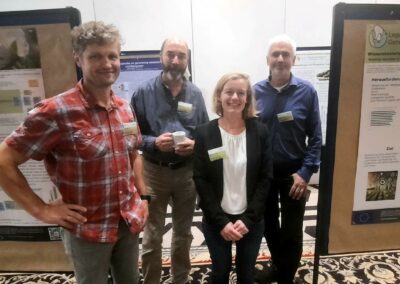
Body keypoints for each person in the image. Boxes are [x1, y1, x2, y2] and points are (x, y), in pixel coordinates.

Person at [0, 21, 148, 284]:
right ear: (78, 59)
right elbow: (4, 160)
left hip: (127, 222)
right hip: (88, 231)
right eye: (96, 56)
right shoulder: (56, 111)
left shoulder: (124, 107)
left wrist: (143, 197)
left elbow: (133, 154)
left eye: (112, 55)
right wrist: (41, 210)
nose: (107, 63)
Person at [131, 36, 209, 284]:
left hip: (186, 173)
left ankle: (180, 279)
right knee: (152, 235)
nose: (175, 61)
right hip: (153, 172)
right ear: (161, 56)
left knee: (183, 234)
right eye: (171, 55)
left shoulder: (196, 94)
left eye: (181, 56)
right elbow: (131, 137)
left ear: (187, 60)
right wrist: (154, 142)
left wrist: (195, 145)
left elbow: (205, 133)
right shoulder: (143, 92)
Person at [254, 34, 322, 284]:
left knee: (292, 230)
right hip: (265, 174)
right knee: (269, 226)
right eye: (275, 54)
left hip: (295, 174)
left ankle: (285, 277)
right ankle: (279, 267)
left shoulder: (307, 91)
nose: (280, 59)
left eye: (285, 54)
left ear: (294, 59)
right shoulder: (255, 92)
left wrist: (305, 174)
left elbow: (316, 138)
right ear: (267, 60)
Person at [193, 73, 273, 284]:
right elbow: (201, 180)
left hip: (251, 220)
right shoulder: (203, 133)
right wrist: (221, 222)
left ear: (247, 98)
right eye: (229, 91)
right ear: (219, 95)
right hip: (217, 220)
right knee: (220, 272)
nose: (235, 97)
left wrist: (247, 220)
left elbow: (266, 178)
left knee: (246, 275)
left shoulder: (260, 132)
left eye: (241, 93)